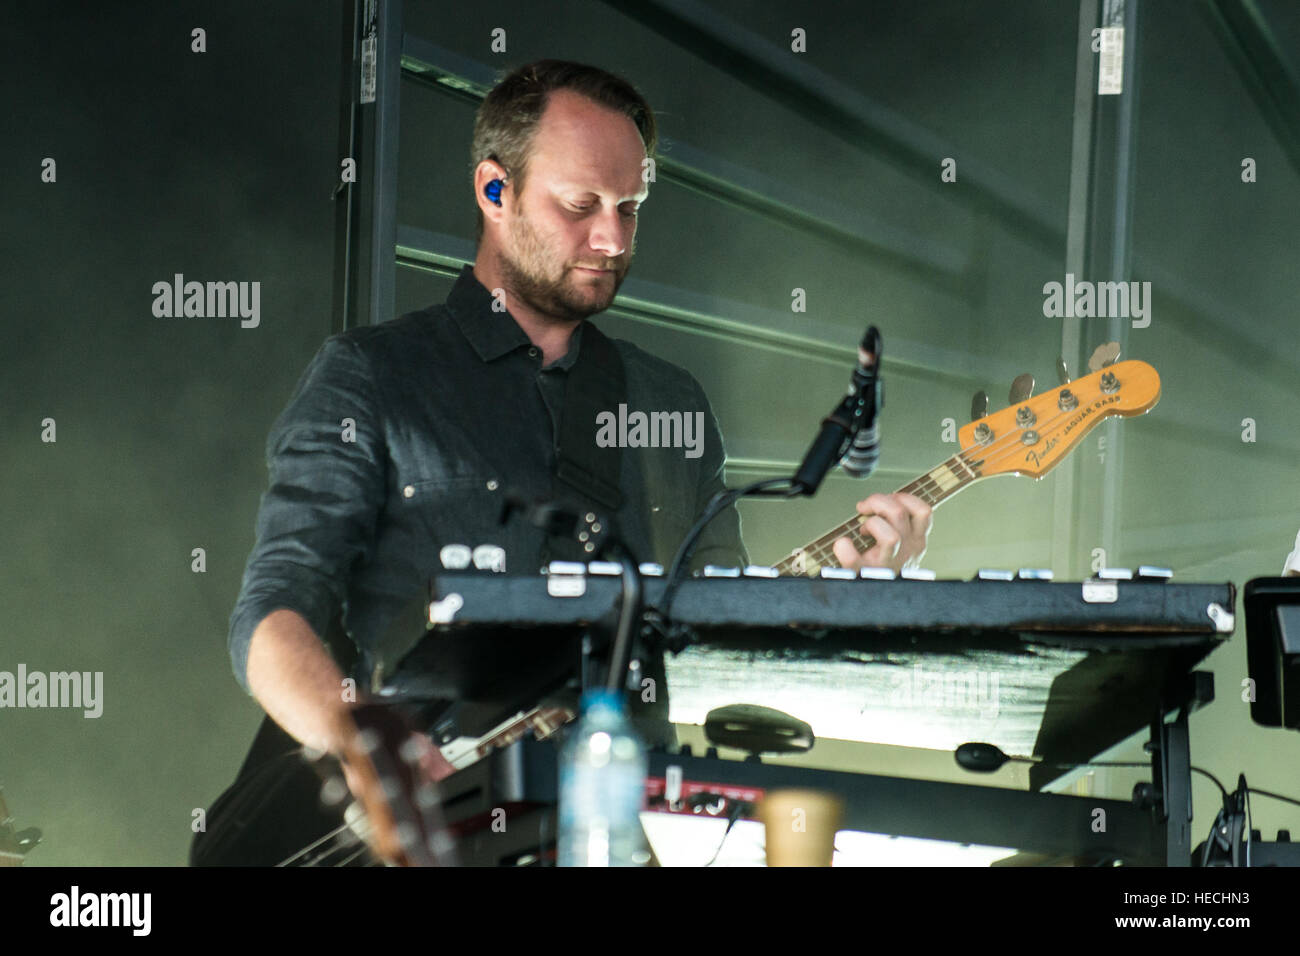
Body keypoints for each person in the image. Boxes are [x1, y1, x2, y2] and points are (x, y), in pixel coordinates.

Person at [226, 59, 932, 813]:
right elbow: (272, 616)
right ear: (495, 191)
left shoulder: (672, 402)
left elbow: (721, 652)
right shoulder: (371, 376)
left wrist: (851, 596)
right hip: (429, 837)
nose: (611, 237)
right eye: (581, 203)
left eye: (629, 208)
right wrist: (374, 752)